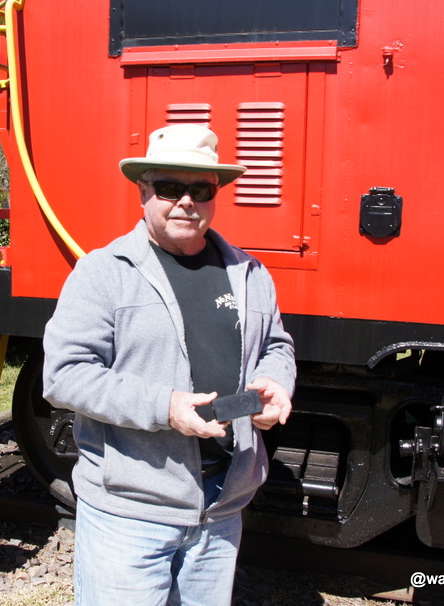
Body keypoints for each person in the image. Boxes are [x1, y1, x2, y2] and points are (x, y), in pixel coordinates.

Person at [42, 123, 296, 605]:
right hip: (129, 513)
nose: (186, 201)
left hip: (221, 509)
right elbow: (64, 374)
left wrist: (275, 383)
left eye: (200, 189)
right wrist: (166, 406)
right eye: (170, 187)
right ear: (144, 191)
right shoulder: (103, 271)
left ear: (215, 194)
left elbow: (277, 346)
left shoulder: (250, 273)